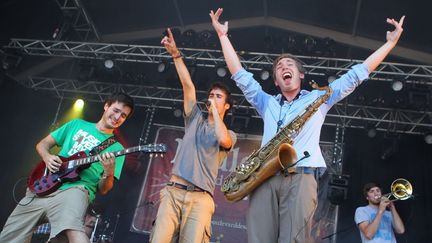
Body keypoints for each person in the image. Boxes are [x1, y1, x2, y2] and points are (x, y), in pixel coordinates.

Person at [210, 7, 405, 243]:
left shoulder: (318, 98)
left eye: (289, 64)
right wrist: (222, 36)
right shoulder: (267, 102)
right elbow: (239, 74)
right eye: (279, 67)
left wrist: (390, 44)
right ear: (276, 80)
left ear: (300, 74)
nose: (283, 67)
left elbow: (356, 75)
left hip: (301, 176)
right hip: (263, 178)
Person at [0, 92, 134, 243]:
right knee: (10, 236)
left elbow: (104, 189)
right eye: (116, 111)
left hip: (76, 190)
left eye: (123, 115)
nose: (117, 117)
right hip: (44, 185)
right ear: (106, 106)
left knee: (72, 230)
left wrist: (109, 173)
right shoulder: (76, 124)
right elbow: (42, 144)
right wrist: (48, 157)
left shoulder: (117, 148)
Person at [150, 28, 237, 243]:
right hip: (173, 191)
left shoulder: (229, 134)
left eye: (218, 97)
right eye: (210, 95)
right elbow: (188, 86)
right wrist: (175, 55)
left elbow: (224, 140)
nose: (212, 98)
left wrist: (216, 114)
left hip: (200, 199)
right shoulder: (194, 118)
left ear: (226, 106)